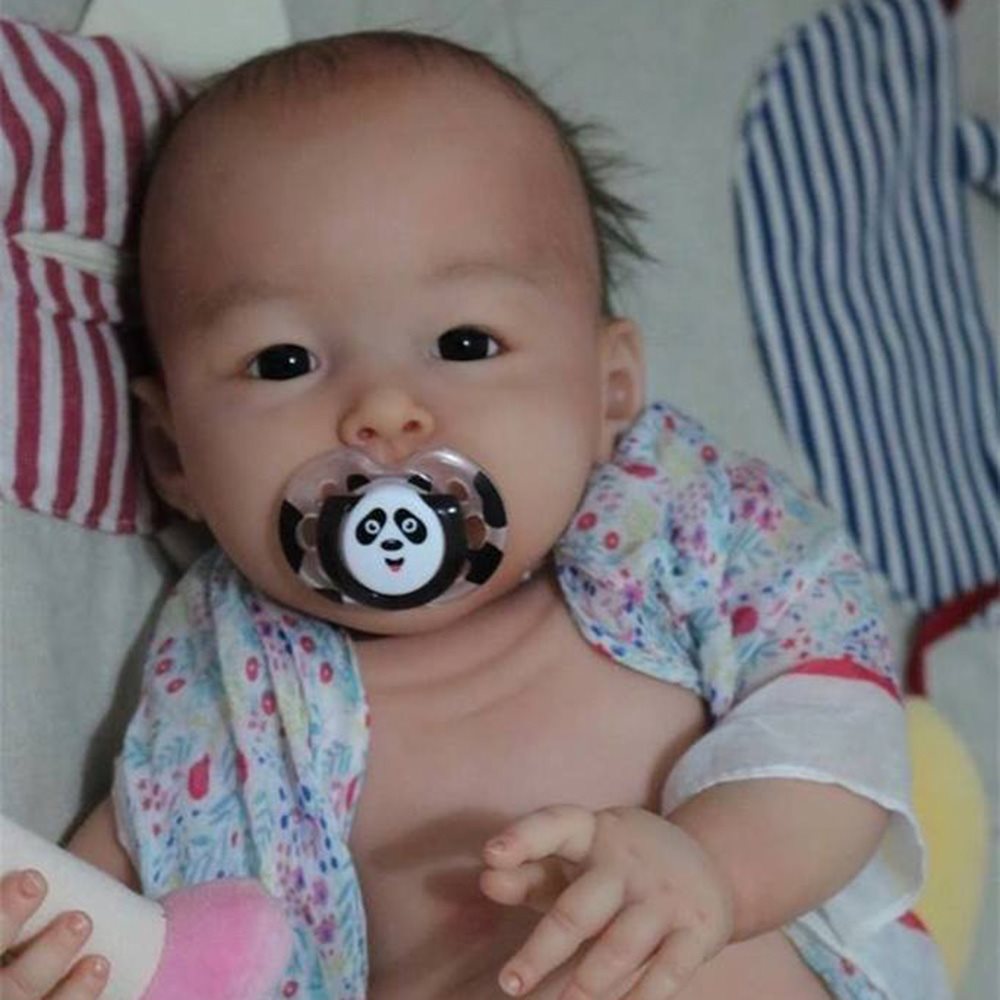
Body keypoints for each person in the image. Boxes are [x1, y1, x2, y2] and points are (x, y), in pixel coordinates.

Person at [1, 30, 948, 1000]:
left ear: (608, 390)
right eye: (282, 362)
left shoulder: (681, 526)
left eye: (464, 342)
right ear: (173, 454)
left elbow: (832, 728)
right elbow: (139, 852)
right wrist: (55, 941)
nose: (383, 412)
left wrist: (714, 870)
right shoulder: (223, 672)